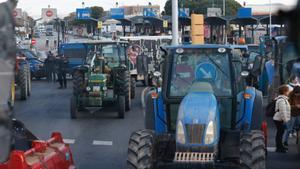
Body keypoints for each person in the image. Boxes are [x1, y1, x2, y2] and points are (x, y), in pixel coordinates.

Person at [273, 85, 291, 153]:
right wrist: (285, 120)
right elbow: (282, 111)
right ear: (284, 92)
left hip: (279, 119)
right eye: (287, 90)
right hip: (279, 119)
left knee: (280, 133)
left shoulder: (283, 99)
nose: (289, 92)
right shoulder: (281, 100)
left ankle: (280, 146)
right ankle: (279, 148)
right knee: (280, 134)